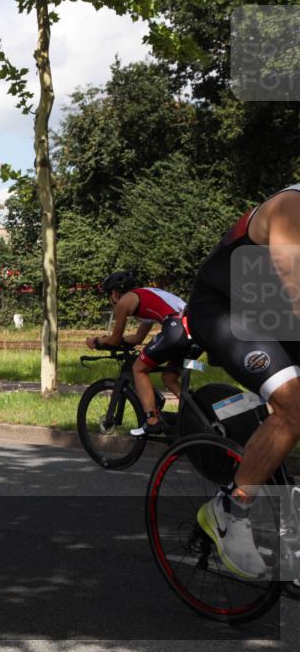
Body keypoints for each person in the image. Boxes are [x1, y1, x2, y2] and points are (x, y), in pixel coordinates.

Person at [186, 185, 300, 579]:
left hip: (272, 312)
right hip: (225, 309)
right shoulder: (291, 207)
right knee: (293, 405)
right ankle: (230, 510)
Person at [85, 272, 191, 436]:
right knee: (169, 378)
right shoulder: (145, 295)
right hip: (191, 330)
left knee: (138, 369)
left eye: (108, 295)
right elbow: (137, 338)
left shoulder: (124, 301)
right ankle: (196, 415)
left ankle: (152, 421)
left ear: (114, 293)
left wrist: (98, 341)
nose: (110, 300)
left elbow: (114, 339)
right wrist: (115, 340)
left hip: (176, 327)